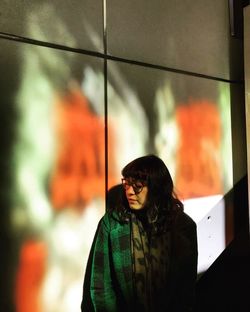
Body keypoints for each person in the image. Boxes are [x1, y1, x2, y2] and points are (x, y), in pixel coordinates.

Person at [81, 155, 198, 312]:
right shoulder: (113, 224)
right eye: (127, 184)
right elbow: (101, 287)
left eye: (137, 185)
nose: (129, 191)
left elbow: (185, 289)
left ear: (156, 187)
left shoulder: (183, 226)